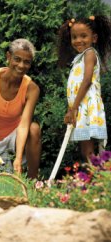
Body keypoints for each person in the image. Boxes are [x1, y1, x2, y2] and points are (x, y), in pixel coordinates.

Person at [0, 38, 41, 179]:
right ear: (8, 57)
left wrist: (18, 158)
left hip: (14, 136)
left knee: (34, 128)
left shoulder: (32, 88)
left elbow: (24, 125)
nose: (21, 65)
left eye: (27, 62)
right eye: (17, 59)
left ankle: (33, 182)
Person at [57, 15, 111, 161]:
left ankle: (95, 179)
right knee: (85, 149)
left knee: (88, 151)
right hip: (80, 106)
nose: (78, 40)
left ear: (94, 38)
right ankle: (95, 178)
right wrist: (72, 108)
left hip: (87, 106)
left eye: (83, 36)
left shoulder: (90, 54)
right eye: (74, 37)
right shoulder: (80, 58)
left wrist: (74, 108)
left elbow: (86, 81)